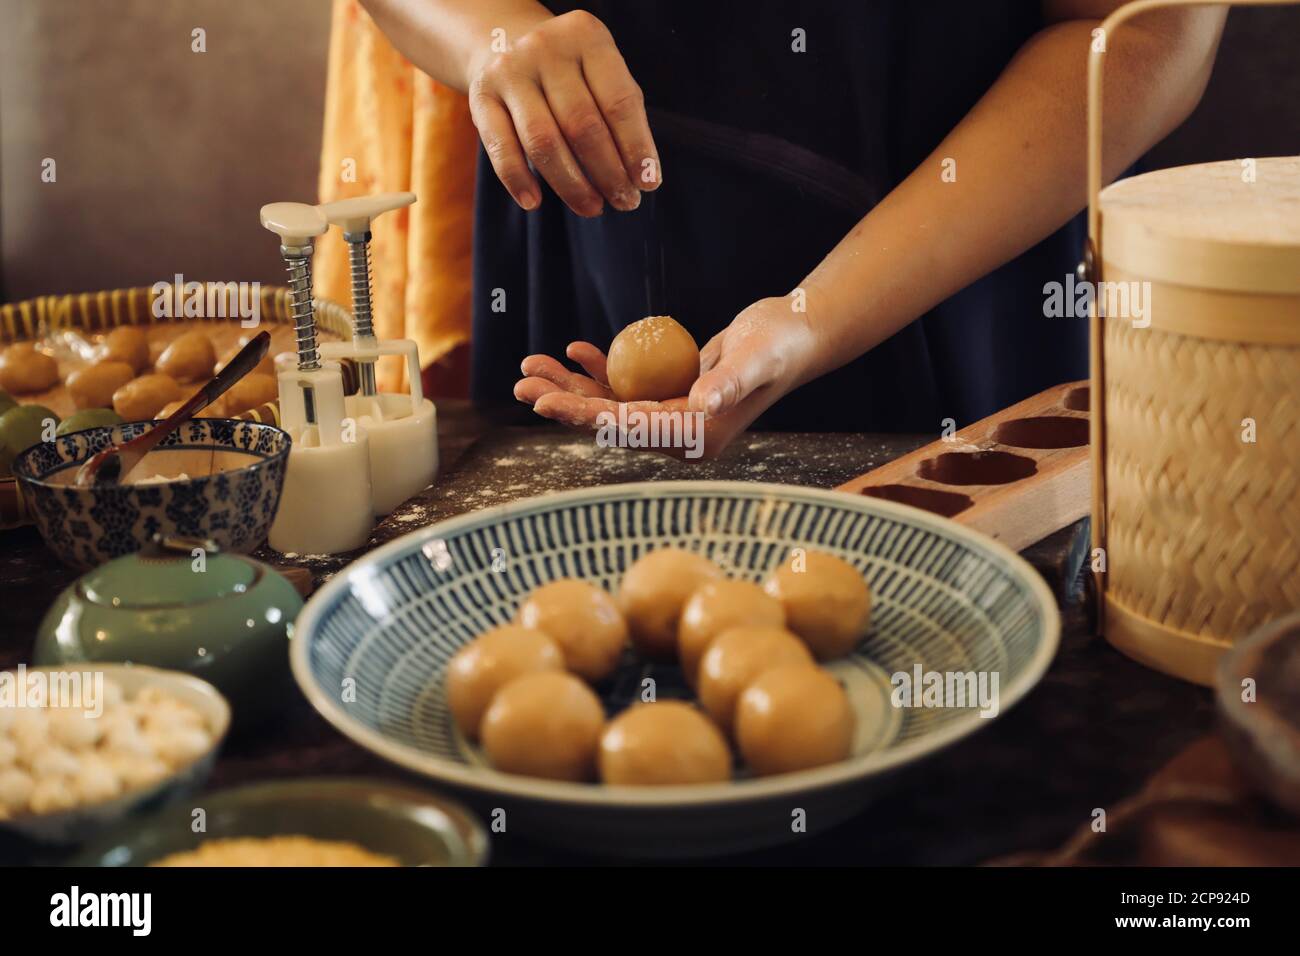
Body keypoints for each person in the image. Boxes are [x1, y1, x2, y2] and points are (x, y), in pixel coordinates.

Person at [361, 0, 1225, 456]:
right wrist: (493, 40)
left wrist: (818, 316)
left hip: (970, 256)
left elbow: (1140, 36)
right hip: (586, 231)